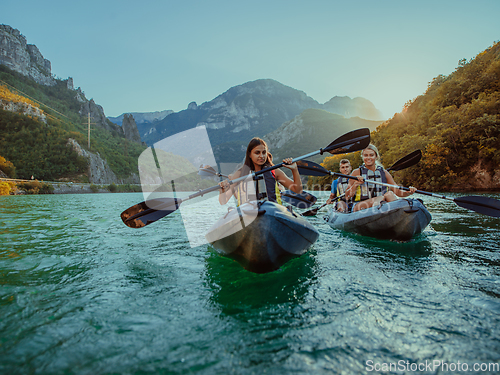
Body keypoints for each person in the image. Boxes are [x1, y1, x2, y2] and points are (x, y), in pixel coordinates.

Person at [218, 137, 302, 206]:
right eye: (257, 153)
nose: (261, 156)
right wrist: (222, 190)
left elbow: (297, 190)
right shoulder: (240, 174)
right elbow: (223, 201)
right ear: (250, 154)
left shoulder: (274, 171)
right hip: (248, 214)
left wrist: (294, 170)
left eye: (264, 152)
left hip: (272, 211)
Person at [345, 144, 417, 212]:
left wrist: (409, 192)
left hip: (379, 203)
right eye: (366, 155)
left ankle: (398, 213)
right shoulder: (356, 172)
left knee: (389, 194)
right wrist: (355, 184)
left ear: (376, 156)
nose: (368, 158)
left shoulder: (384, 173)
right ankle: (378, 214)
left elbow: (398, 192)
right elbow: (347, 196)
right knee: (381, 198)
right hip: (360, 206)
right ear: (362, 157)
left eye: (371, 155)